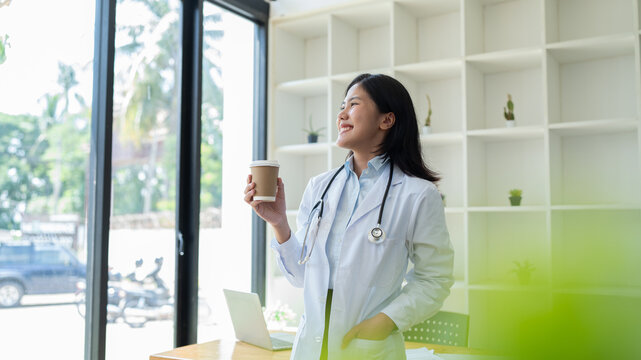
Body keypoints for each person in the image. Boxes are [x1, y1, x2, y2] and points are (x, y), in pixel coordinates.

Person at [244, 73, 454, 360]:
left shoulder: (417, 194)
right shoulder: (320, 187)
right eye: (341, 106)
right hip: (311, 348)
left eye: (353, 105)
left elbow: (435, 280)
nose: (341, 114)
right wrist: (278, 222)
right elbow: (303, 276)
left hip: (368, 348)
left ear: (386, 120)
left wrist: (383, 323)